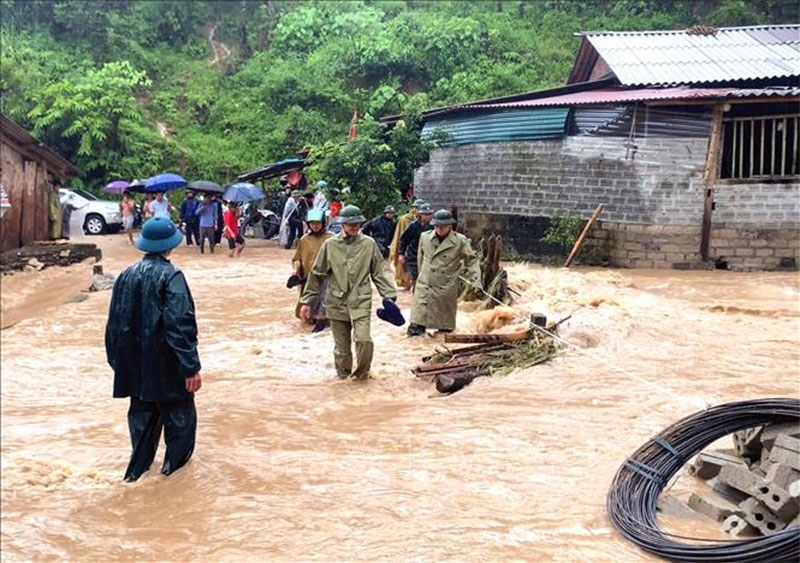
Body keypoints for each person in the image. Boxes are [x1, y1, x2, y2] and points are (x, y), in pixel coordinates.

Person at [104, 216, 202, 482]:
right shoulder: (172, 276)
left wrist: (119, 364)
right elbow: (179, 325)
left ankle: (136, 478)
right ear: (170, 245)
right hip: (167, 368)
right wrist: (190, 367)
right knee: (180, 424)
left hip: (135, 368)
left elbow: (114, 324)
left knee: (142, 424)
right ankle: (172, 481)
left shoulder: (126, 275)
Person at [299, 205, 397, 380]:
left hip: (361, 300)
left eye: (357, 223)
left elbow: (379, 272)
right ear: (342, 224)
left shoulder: (369, 244)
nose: (354, 227)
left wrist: (388, 297)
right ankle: (344, 380)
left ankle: (361, 377)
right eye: (350, 224)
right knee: (342, 349)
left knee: (364, 340)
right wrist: (306, 302)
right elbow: (317, 274)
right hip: (337, 301)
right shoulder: (330, 245)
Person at [407, 210, 481, 337]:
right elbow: (420, 259)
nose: (439, 229)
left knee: (445, 333)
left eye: (443, 226)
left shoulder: (459, 241)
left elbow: (472, 261)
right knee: (416, 328)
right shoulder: (425, 237)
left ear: (450, 226)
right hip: (425, 287)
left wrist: (475, 280)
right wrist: (422, 278)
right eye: (437, 226)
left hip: (445, 288)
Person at [292, 208, 333, 331]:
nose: (315, 226)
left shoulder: (332, 239)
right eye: (312, 223)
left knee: (325, 307)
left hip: (326, 278)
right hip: (307, 279)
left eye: (317, 223)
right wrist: (296, 271)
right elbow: (297, 258)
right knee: (306, 311)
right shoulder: (304, 239)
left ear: (323, 223)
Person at [389, 199, 424, 290]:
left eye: (419, 208)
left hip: (420, 249)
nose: (417, 210)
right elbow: (400, 236)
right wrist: (400, 251)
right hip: (408, 249)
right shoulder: (404, 219)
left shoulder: (425, 222)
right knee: (406, 269)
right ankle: (407, 283)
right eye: (416, 208)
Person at [398, 203, 434, 291]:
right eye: (425, 214)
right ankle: (417, 298)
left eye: (429, 214)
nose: (428, 217)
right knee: (417, 278)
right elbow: (404, 240)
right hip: (413, 256)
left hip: (428, 255)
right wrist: (401, 254)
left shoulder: (433, 226)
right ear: (420, 215)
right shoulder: (413, 226)